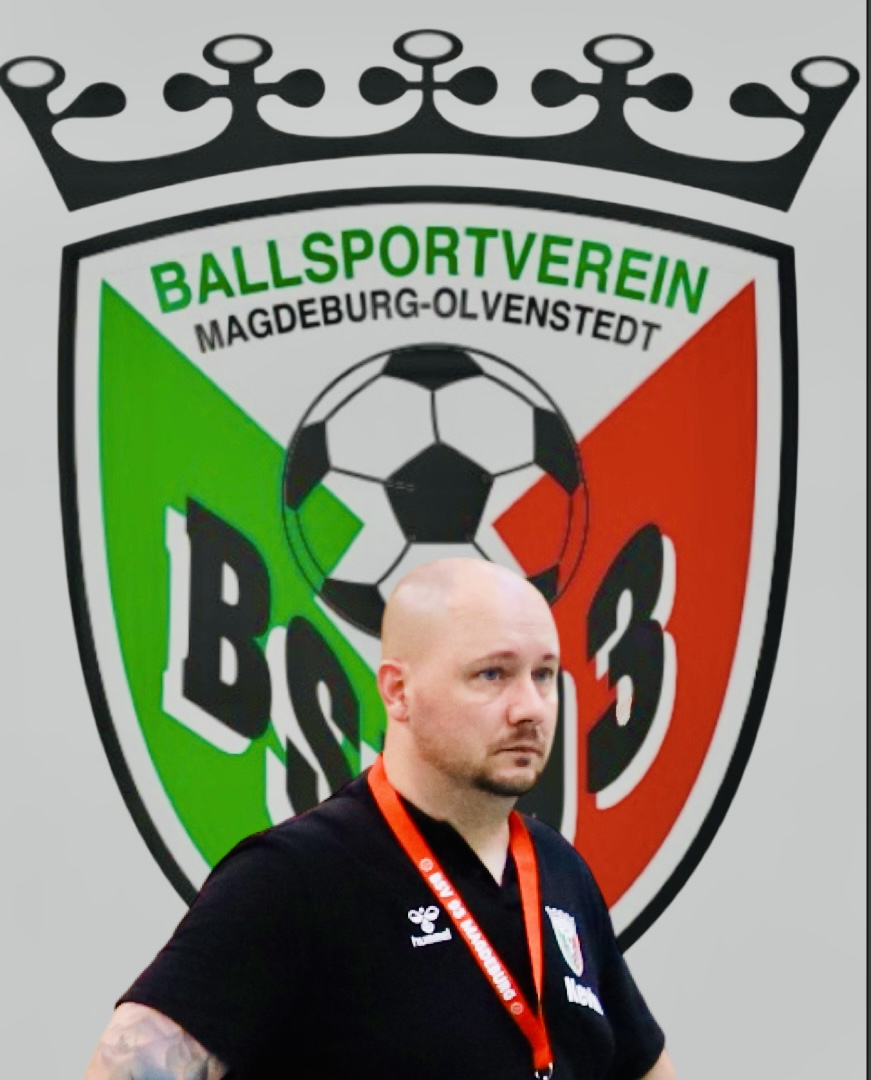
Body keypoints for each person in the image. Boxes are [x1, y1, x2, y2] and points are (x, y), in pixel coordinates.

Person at [83, 558, 677, 1079]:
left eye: (543, 675)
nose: (529, 708)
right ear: (397, 691)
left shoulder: (560, 872)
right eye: (492, 674)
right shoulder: (296, 877)